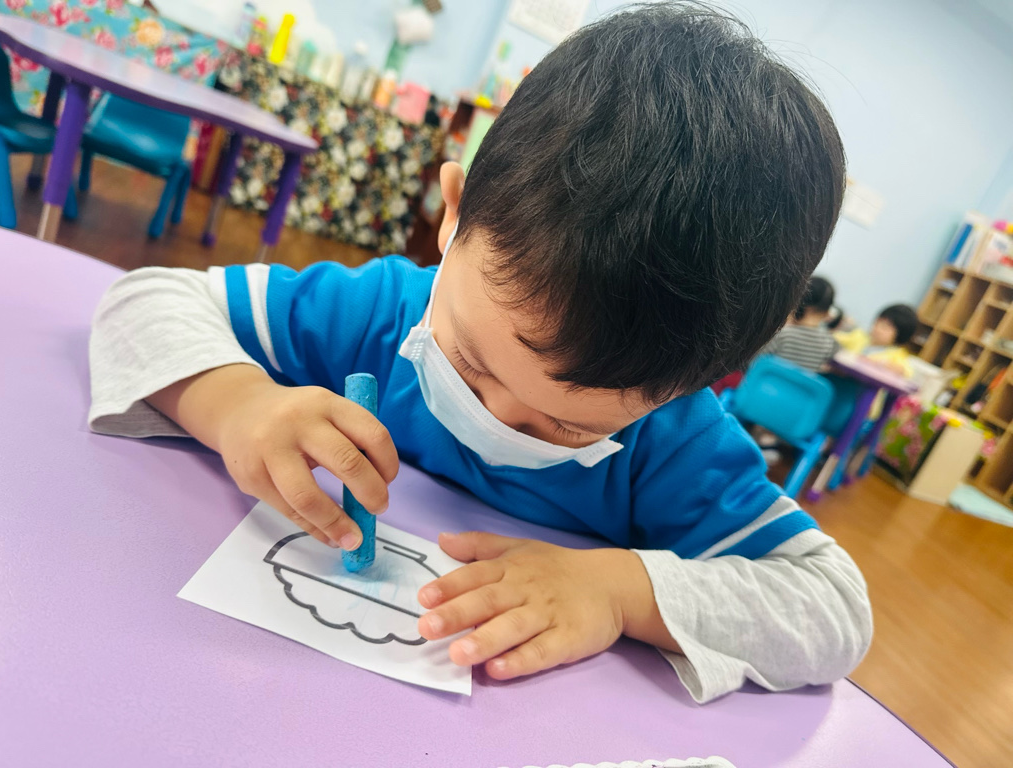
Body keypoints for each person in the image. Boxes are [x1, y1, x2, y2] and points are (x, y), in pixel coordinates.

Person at [88, 3, 870, 703]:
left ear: (694, 383)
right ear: (454, 215)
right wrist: (235, 404)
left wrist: (618, 590)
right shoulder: (378, 313)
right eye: (471, 362)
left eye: (565, 425)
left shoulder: (676, 445)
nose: (495, 415)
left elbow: (835, 610)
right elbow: (145, 299)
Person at [758, 276, 840, 372]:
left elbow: (754, 362)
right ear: (827, 313)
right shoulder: (828, 343)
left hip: (767, 381)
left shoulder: (782, 335)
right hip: (797, 382)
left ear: (796, 302)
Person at [836, 304, 918, 376]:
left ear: (899, 335)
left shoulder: (896, 354)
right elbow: (837, 338)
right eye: (878, 322)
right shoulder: (859, 336)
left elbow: (907, 372)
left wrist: (882, 364)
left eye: (885, 327)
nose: (878, 328)